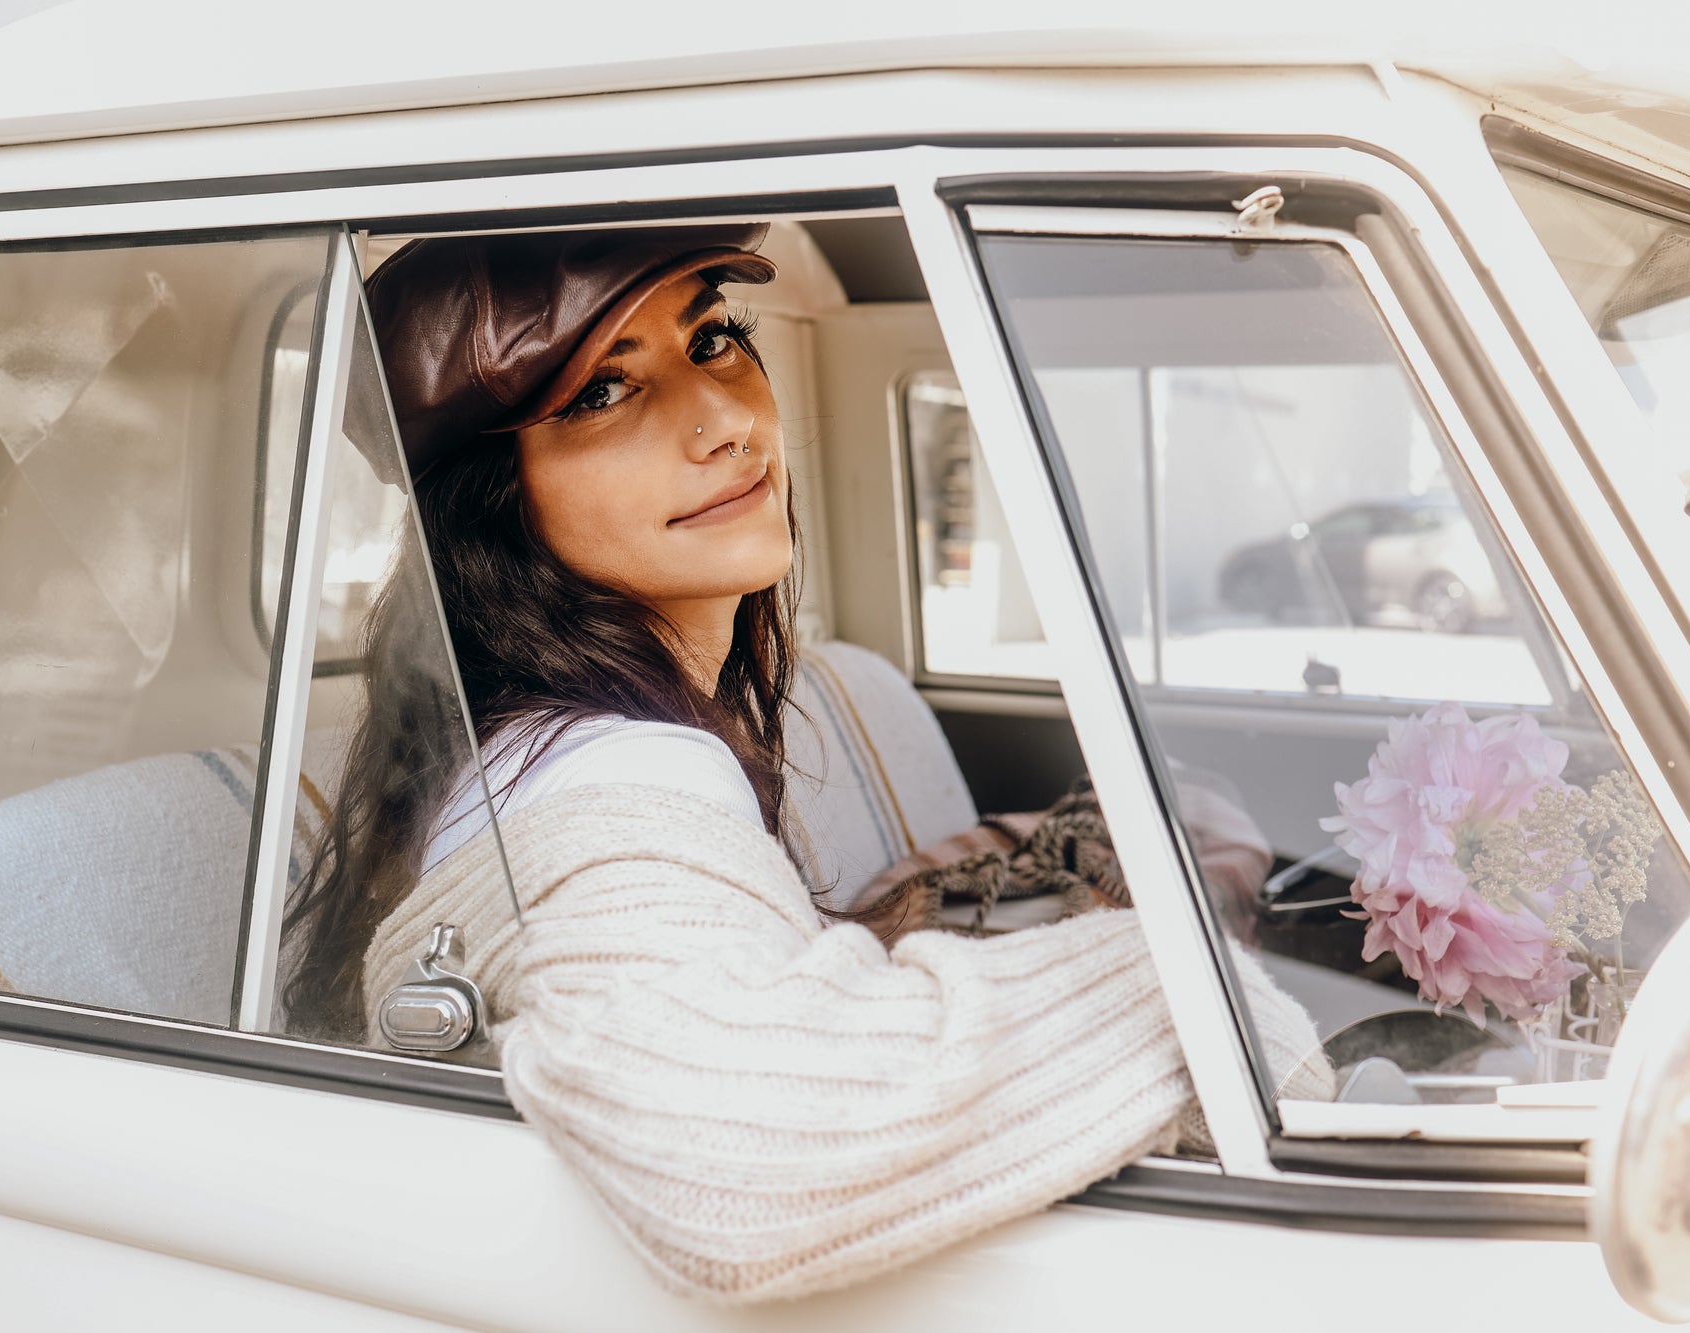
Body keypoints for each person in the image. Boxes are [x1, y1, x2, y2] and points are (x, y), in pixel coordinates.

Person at [282, 224, 1331, 1303]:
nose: (727, 419)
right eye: (601, 391)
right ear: (493, 505)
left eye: (713, 338)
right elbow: (738, 1163)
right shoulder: (604, 774)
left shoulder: (568, 738)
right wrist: (1183, 995)